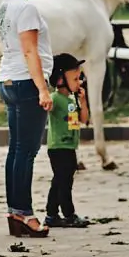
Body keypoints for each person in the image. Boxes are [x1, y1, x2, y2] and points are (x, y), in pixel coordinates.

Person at [0, 0, 53, 238]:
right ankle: (25, 213)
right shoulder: (27, 9)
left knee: (16, 149)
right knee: (27, 152)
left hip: (7, 78)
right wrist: (43, 88)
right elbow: (30, 50)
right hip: (26, 82)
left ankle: (14, 210)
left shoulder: (6, 6)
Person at [44, 53, 90, 228]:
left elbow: (84, 119)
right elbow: (44, 108)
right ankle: (68, 214)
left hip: (70, 146)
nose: (79, 82)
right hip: (58, 147)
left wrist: (83, 101)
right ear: (60, 78)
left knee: (60, 180)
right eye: (75, 78)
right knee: (64, 182)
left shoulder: (71, 99)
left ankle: (51, 215)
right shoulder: (55, 99)